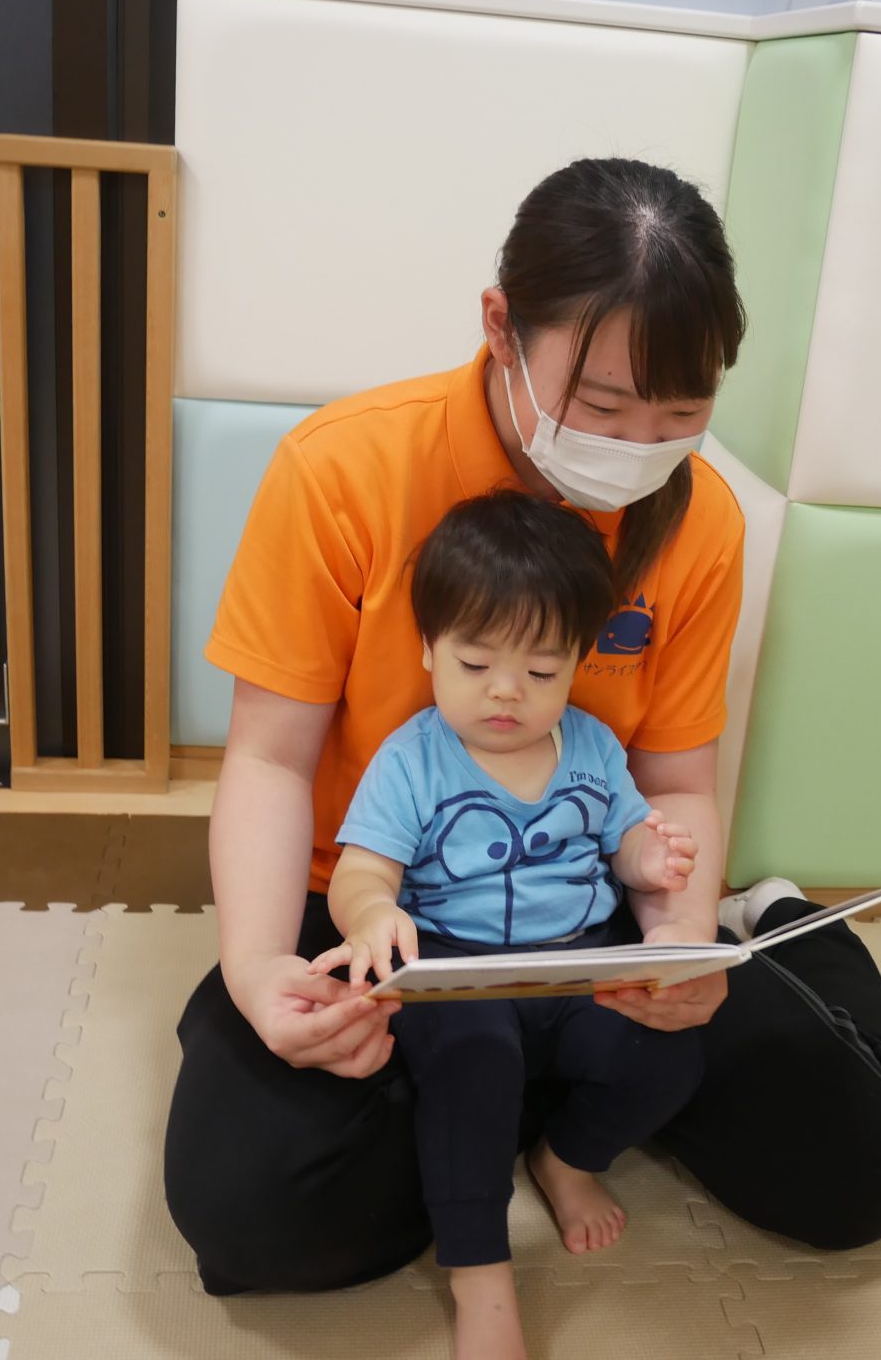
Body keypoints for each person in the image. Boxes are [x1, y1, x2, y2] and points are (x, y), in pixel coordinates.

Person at [165, 156, 881, 1310]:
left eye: (680, 413)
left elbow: (675, 777)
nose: (638, 443)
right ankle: (534, 1109)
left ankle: (776, 930)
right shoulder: (345, 468)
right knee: (256, 1220)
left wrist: (677, 946)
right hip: (395, 926)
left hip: (597, 911)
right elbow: (270, 757)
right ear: (500, 328)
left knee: (862, 1173)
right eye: (603, 405)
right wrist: (257, 969)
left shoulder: (699, 520)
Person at [313, 490, 705, 1359]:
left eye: (540, 672)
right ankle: (480, 1272)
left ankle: (567, 1159)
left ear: (577, 663)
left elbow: (625, 839)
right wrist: (373, 912)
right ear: (429, 648)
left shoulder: (592, 746)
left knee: (666, 1054)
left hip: (581, 959)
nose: (505, 692)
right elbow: (363, 872)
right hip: (459, 969)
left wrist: (651, 859)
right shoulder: (412, 758)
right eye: (475, 662)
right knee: (471, 1063)